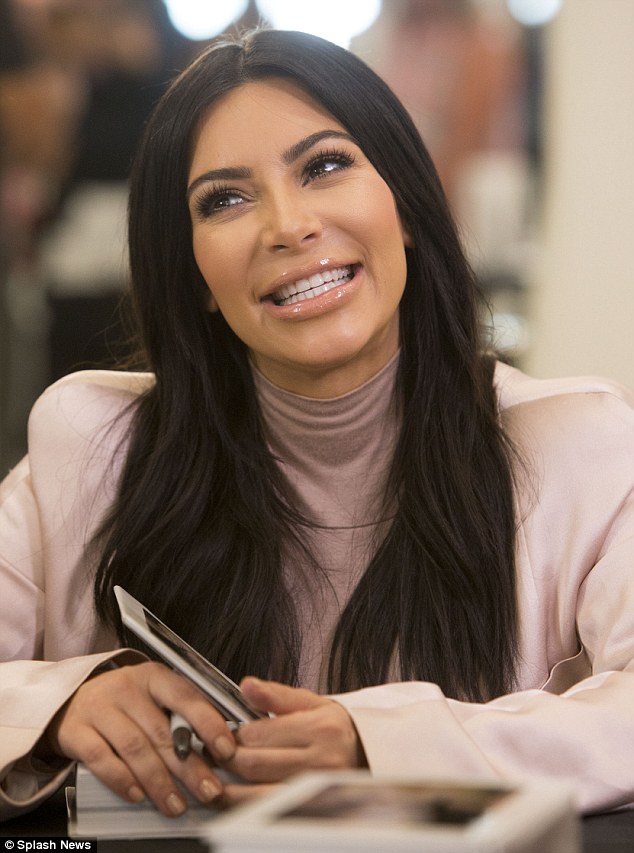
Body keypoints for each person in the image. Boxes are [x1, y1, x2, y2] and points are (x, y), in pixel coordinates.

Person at [1, 28, 634, 823]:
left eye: (325, 166)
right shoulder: (95, 446)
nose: (288, 224)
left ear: (406, 206)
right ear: (194, 275)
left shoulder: (576, 442)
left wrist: (382, 742)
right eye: (225, 200)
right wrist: (56, 703)